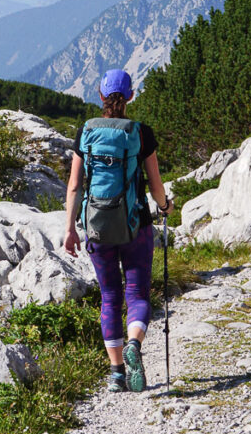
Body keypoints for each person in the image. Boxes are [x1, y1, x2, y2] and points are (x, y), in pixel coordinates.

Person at [64, 68, 174, 393]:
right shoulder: (141, 133)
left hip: (97, 229)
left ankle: (116, 374)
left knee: (109, 297)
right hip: (135, 224)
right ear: (130, 96)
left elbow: (74, 187)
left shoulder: (85, 132)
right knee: (137, 294)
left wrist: (70, 229)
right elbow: (155, 185)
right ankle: (135, 345)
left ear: (100, 96)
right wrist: (165, 206)